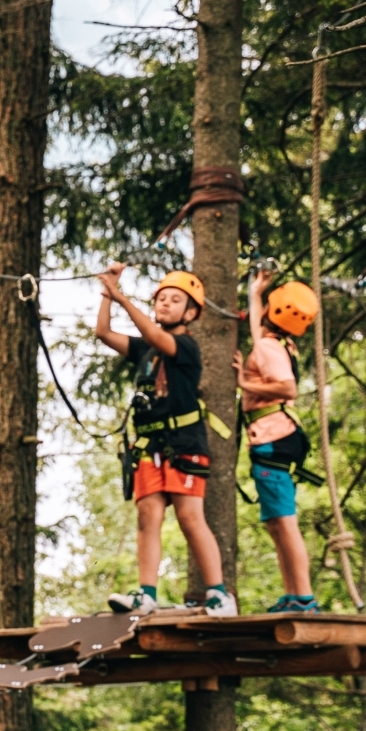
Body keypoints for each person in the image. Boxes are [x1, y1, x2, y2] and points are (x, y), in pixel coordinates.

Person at [95, 262, 237, 618]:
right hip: (150, 447)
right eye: (161, 298)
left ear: (190, 313)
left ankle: (219, 595)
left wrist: (121, 297)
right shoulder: (146, 348)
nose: (165, 304)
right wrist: (107, 294)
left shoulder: (186, 346)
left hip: (184, 444)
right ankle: (147, 594)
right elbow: (103, 333)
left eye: (175, 300)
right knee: (148, 516)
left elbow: (159, 337)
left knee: (191, 517)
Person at [234, 268, 319, 612]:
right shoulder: (277, 343)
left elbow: (287, 388)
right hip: (275, 436)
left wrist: (244, 383)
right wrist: (256, 294)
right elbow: (259, 330)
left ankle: (303, 597)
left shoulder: (270, 349)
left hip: (273, 436)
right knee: (275, 522)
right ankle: (293, 594)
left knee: (284, 521)